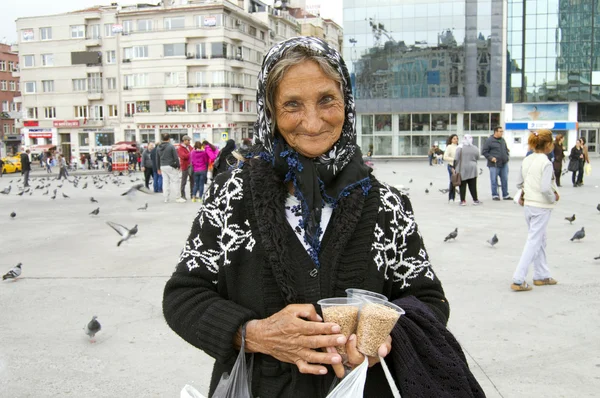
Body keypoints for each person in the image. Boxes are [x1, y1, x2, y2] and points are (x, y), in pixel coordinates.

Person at [162, 37, 480, 398]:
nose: (312, 123)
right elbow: (183, 295)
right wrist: (253, 334)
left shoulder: (388, 204)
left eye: (327, 99)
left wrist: (385, 336)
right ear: (269, 110)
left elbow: (428, 299)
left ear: (347, 102)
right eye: (292, 105)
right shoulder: (231, 196)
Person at [511, 130, 559, 292]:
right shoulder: (546, 162)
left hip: (529, 205)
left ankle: (541, 275)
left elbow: (519, 183)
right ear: (547, 145)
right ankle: (518, 278)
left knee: (539, 239)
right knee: (534, 240)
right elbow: (546, 188)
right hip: (541, 205)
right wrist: (553, 197)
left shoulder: (527, 160)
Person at [482, 126, 511, 201]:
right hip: (494, 164)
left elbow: (505, 148)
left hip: (504, 163)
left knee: (504, 179)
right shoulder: (489, 140)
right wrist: (491, 158)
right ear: (495, 132)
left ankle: (505, 195)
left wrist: (507, 154)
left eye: (502, 131)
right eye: (500, 131)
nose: (502, 133)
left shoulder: (502, 140)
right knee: (494, 180)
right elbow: (484, 151)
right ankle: (495, 195)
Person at [454, 134, 482, 206]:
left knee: (462, 185)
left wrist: (454, 168)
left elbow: (456, 158)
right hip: (473, 168)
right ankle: (475, 200)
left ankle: (463, 200)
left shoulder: (460, 148)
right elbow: (478, 157)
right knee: (473, 185)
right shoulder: (475, 148)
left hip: (462, 168)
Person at [156, 133, 185, 203]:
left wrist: (158, 168)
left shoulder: (158, 147)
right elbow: (175, 157)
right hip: (170, 166)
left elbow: (157, 158)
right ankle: (178, 197)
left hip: (162, 166)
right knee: (175, 181)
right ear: (169, 139)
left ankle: (166, 198)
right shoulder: (171, 146)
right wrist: (178, 166)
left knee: (165, 182)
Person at [177, 135, 194, 200]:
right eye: (188, 140)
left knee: (192, 180)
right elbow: (184, 156)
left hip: (191, 166)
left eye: (189, 140)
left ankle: (192, 194)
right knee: (184, 181)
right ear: (184, 141)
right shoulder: (180, 148)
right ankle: (183, 195)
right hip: (185, 166)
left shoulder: (190, 147)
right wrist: (191, 153)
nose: (189, 142)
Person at [443, 134, 458, 203]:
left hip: (458, 166)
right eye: (454, 138)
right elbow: (445, 157)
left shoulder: (459, 147)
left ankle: (456, 197)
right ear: (451, 140)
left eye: (457, 138)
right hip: (451, 166)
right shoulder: (449, 147)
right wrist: (453, 159)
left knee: (457, 181)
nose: (456, 140)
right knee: (452, 181)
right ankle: (451, 197)